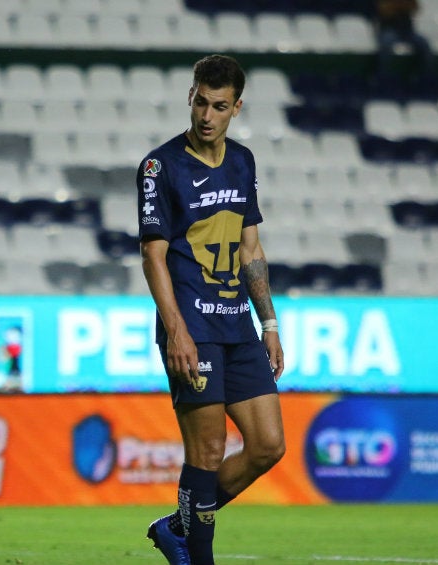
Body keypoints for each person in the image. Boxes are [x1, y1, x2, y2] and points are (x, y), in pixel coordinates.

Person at [136, 54, 286, 565]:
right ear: (191, 97)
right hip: (192, 325)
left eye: (219, 106)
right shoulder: (161, 166)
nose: (206, 115)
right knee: (206, 450)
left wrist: (268, 323)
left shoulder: (242, 162)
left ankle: (177, 526)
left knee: (268, 445)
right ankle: (198, 557)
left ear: (236, 107)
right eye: (200, 102)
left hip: (237, 323)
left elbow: (251, 249)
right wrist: (175, 330)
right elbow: (152, 253)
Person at [375, 0, 437, 80]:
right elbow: (384, 11)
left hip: (407, 30)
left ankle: (426, 78)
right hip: (389, 29)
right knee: (386, 45)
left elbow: (415, 8)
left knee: (424, 44)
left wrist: (400, 7)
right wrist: (399, 7)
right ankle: (384, 77)